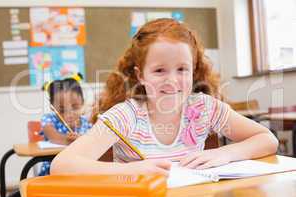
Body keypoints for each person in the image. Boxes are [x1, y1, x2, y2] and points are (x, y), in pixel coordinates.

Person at [50, 18, 278, 176]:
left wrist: (226, 153)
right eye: (160, 71)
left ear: (194, 69)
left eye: (182, 69)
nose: (172, 80)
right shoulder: (126, 115)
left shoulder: (205, 108)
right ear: (141, 75)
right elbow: (62, 164)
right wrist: (130, 170)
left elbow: (267, 139)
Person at [39, 74, 92, 175]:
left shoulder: (88, 122)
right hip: (53, 171)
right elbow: (53, 136)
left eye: (75, 107)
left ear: (83, 102)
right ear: (52, 106)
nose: (69, 113)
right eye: (62, 110)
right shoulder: (49, 119)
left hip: (82, 170)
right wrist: (67, 140)